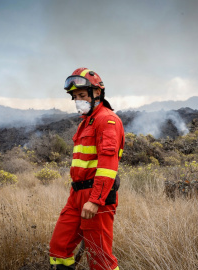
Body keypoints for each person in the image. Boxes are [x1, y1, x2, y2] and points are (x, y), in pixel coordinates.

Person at [49, 67, 125, 270]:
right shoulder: (86, 122)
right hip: (77, 194)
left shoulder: (107, 120)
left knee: (99, 257)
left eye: (82, 95)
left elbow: (108, 166)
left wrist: (95, 200)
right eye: (75, 97)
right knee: (59, 248)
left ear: (97, 92)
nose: (78, 101)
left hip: (96, 196)